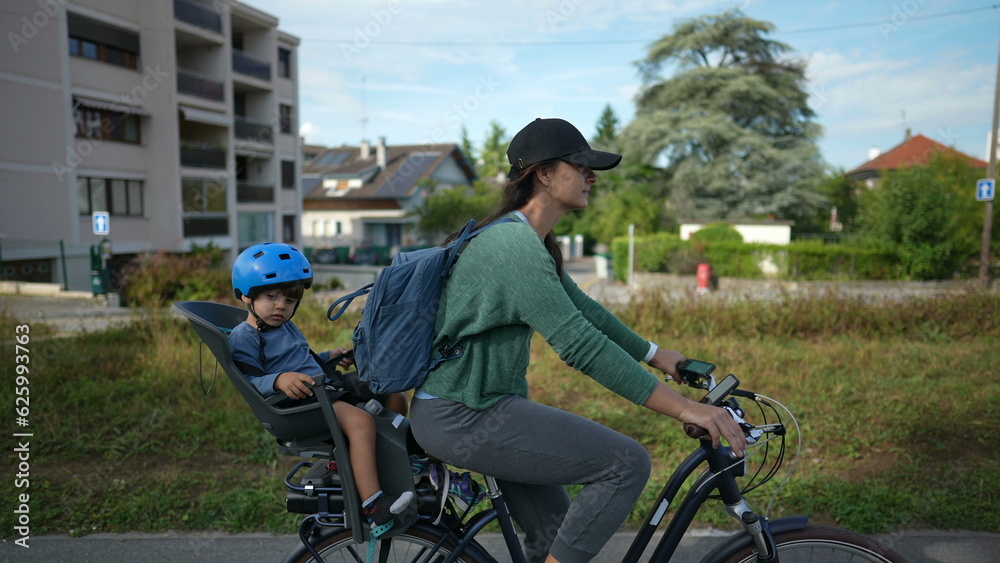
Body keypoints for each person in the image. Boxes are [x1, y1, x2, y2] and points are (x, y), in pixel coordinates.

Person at [408, 118, 748, 563]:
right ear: (544, 174)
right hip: (464, 415)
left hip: (481, 408)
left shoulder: (529, 239)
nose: (592, 177)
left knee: (555, 543)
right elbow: (578, 345)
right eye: (581, 166)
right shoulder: (513, 247)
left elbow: (584, 312)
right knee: (626, 464)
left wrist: (655, 354)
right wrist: (685, 408)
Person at [228, 242, 413, 530]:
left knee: (393, 392)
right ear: (245, 296)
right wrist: (278, 379)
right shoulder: (245, 338)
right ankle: (373, 504)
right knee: (361, 422)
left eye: (289, 300)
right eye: (271, 296)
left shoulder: (283, 325)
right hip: (301, 405)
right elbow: (249, 380)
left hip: (324, 387)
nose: (281, 306)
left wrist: (330, 358)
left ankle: (406, 462)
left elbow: (301, 359)